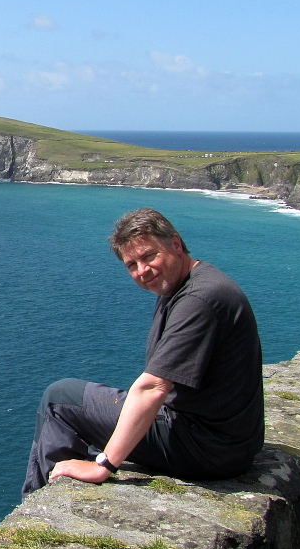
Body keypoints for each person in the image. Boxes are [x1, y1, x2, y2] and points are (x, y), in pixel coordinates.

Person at [22, 207, 264, 497]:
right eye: (132, 264)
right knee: (80, 400)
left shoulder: (199, 299)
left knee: (59, 401)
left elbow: (153, 387)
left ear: (176, 244)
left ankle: (39, 506)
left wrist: (105, 464)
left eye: (149, 256)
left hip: (207, 448)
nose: (142, 271)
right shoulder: (186, 284)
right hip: (226, 442)